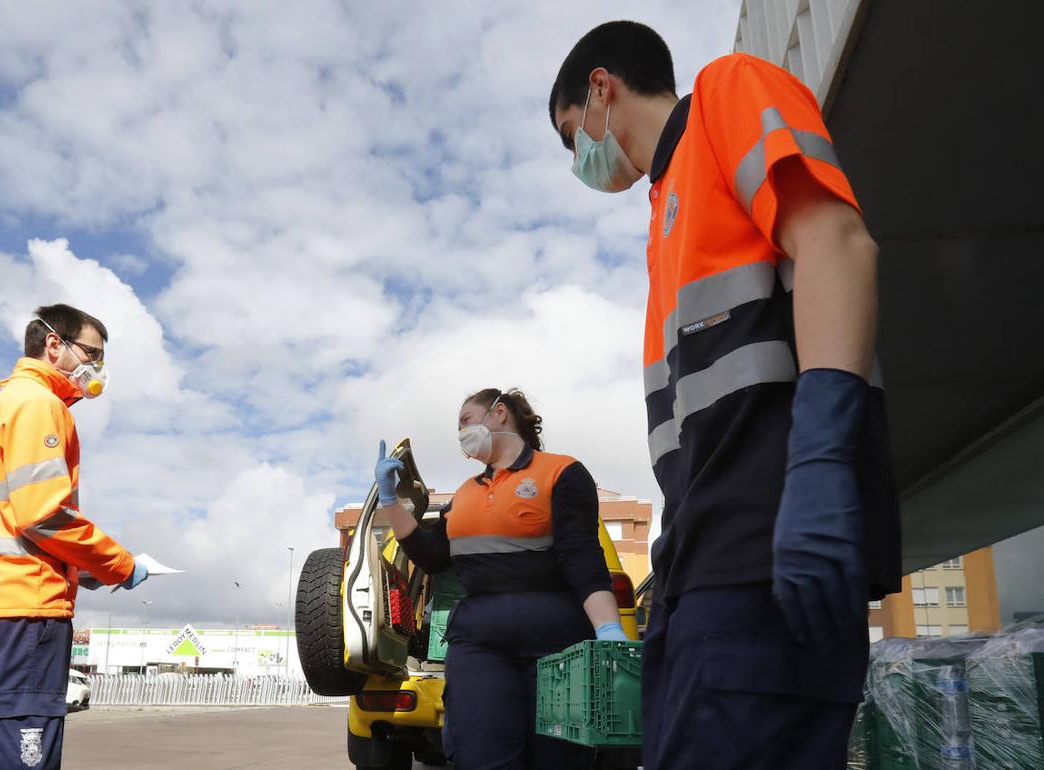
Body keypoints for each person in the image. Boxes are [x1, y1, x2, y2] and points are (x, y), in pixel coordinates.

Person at [547, 21, 902, 769]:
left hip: (765, 551)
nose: (578, 159)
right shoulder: (664, 217)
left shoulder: (727, 93)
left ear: (601, 88)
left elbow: (836, 244)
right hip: (704, 566)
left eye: (571, 135)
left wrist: (820, 462)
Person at [0, 303, 149, 770]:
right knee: (20, 750)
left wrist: (81, 569)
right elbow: (42, 514)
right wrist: (119, 565)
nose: (96, 367)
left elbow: (10, 518)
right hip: (26, 611)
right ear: (54, 344)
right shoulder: (40, 405)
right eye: (91, 352)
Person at [373, 388, 627, 770]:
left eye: (466, 420)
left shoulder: (561, 471)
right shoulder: (463, 496)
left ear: (500, 412)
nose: (460, 432)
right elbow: (431, 556)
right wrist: (392, 503)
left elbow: (582, 559)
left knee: (557, 757)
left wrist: (609, 631)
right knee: (481, 754)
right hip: (480, 643)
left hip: (557, 642)